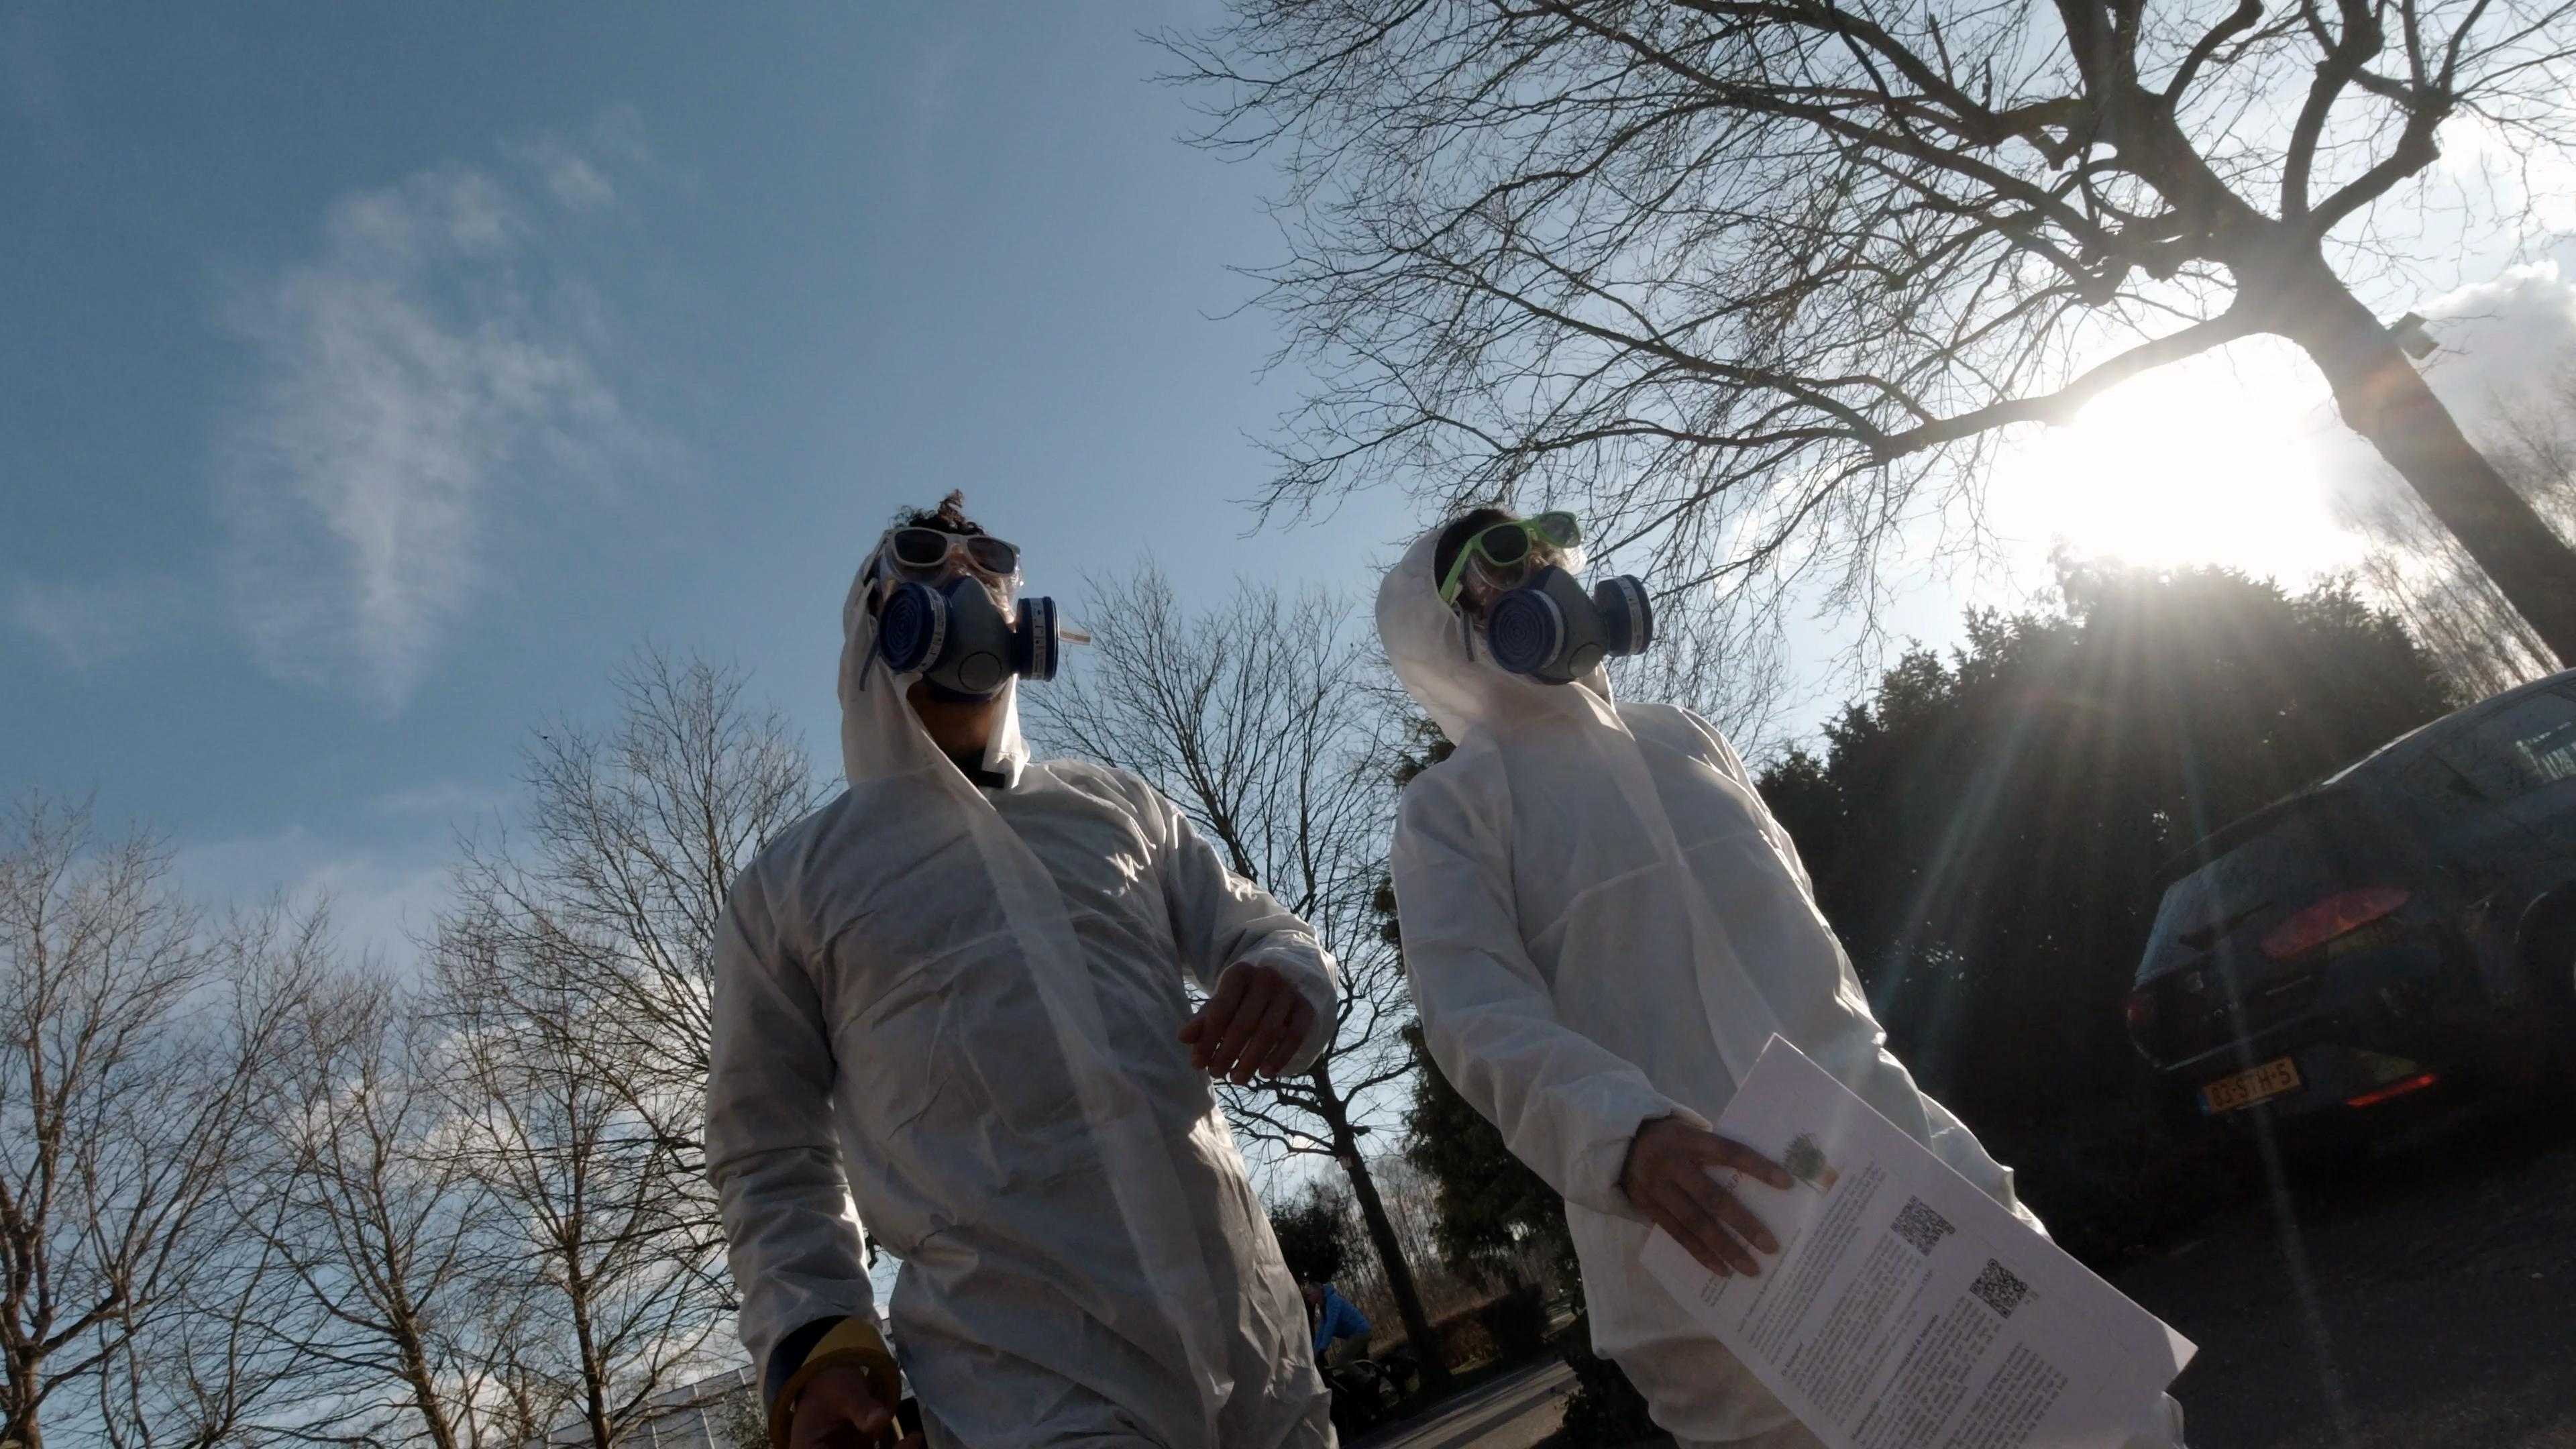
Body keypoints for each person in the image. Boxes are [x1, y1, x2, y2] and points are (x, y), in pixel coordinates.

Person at [1377, 509, 2188, 1449]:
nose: (1546, 574)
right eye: (1504, 565)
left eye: (1549, 549)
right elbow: (1472, 1014)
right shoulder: (1450, 811)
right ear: (1449, 631)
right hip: (1710, 1242)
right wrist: (1621, 1137)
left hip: (1896, 1155)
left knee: (2107, 1416)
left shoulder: (1686, 739)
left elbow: (1815, 949)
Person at [706, 494, 1341, 1449]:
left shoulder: (1116, 807)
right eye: (923, 558)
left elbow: (1261, 929)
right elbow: (769, 1150)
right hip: (1024, 1382)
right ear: (873, 622)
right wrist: (815, 1338)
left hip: (1256, 1339)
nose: (966, 574)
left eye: (991, 559)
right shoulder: (794, 887)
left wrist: (1289, 971)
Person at [1302, 1281, 1372, 1371]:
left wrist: (1322, 1349)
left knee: (1341, 1360)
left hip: (1361, 1333)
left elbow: (1330, 1326)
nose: (1308, 1299)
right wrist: (1313, 1354)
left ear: (1317, 1291)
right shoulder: (1324, 1309)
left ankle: (1368, 1381)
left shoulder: (1332, 1301)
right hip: (1355, 1335)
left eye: (1309, 1295)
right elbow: (1321, 1333)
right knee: (1361, 1367)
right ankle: (1369, 1380)